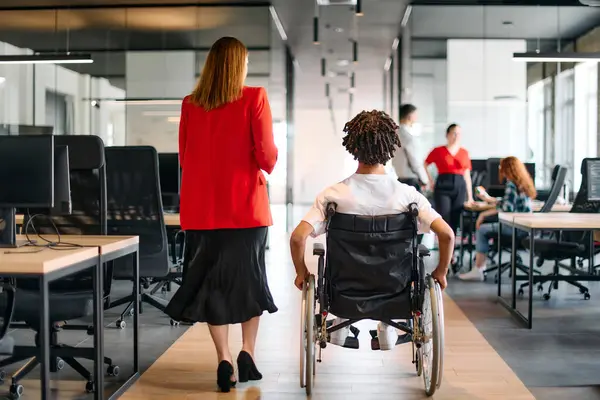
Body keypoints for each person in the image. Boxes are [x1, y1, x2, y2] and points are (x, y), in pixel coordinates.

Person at [165, 37, 278, 393]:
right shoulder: (254, 97)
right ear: (238, 64)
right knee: (250, 282)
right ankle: (248, 352)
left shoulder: (189, 104)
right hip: (246, 210)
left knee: (213, 286)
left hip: (202, 213)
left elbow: (184, 158)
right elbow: (268, 158)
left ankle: (224, 359)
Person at [290, 110, 454, 351]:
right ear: (390, 149)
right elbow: (447, 234)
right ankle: (388, 326)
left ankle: (343, 319)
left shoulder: (333, 196)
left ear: (353, 148)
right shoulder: (408, 196)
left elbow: (297, 238)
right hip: (396, 290)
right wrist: (441, 272)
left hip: (343, 291)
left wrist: (301, 273)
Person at [459, 156, 536, 281]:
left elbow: (507, 208)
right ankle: (479, 267)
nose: (500, 169)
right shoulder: (522, 183)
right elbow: (508, 202)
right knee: (485, 227)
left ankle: (479, 268)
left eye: (502, 167)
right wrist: (489, 199)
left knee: (482, 229)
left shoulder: (511, 184)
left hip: (515, 227)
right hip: (525, 228)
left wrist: (483, 214)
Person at [424, 123, 473, 265]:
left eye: (459, 133)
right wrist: (430, 181)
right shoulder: (439, 150)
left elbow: (467, 175)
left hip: (459, 185)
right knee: (444, 219)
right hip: (443, 185)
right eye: (454, 133)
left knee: (455, 220)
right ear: (447, 134)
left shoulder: (464, 152)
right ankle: (444, 253)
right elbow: (425, 163)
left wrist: (470, 197)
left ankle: (452, 254)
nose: (457, 136)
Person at [392, 104, 429, 192]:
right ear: (410, 116)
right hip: (411, 180)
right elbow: (415, 162)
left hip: (399, 178)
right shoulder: (409, 137)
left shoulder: (394, 135)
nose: (417, 117)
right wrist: (424, 180)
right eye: (415, 115)